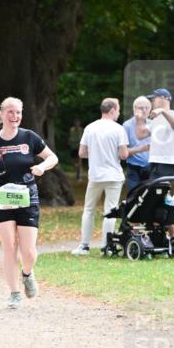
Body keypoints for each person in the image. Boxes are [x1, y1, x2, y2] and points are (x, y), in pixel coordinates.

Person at [0, 96, 58, 309]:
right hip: (1, 198)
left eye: (18, 112)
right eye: (10, 112)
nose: (14, 116)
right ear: (1, 114)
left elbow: (52, 157)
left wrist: (42, 167)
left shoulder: (30, 137)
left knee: (28, 251)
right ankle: (14, 293)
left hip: (27, 196)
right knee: (9, 246)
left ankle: (27, 273)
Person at [71, 98, 129, 256]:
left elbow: (82, 153)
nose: (119, 113)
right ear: (112, 110)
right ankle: (107, 247)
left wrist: (96, 153)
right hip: (113, 176)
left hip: (95, 175)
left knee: (88, 209)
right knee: (110, 211)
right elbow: (124, 155)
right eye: (118, 110)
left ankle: (84, 246)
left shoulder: (90, 128)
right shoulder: (118, 129)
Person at [147, 88, 174, 179]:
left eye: (154, 99)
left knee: (158, 190)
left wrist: (162, 111)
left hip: (167, 161)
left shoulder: (173, 114)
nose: (152, 102)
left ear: (162, 98)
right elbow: (142, 135)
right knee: (151, 190)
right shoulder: (155, 117)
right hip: (154, 160)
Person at [122, 96, 152, 192]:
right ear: (134, 109)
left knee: (149, 198)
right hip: (133, 169)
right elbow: (123, 152)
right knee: (133, 197)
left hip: (150, 168)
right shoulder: (127, 126)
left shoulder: (154, 124)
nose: (144, 110)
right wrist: (140, 149)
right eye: (140, 108)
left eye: (146, 108)